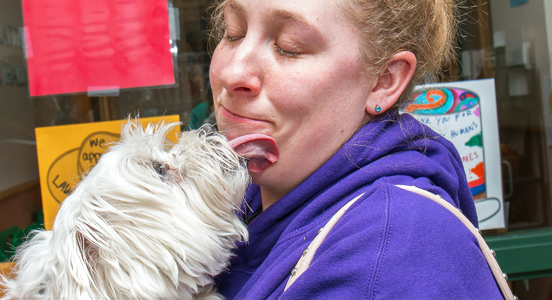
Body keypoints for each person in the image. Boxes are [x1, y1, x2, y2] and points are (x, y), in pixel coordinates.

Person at [208, 0, 504, 298]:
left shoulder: (391, 252)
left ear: (384, 81)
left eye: (289, 47)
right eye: (233, 32)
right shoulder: (238, 201)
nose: (232, 74)